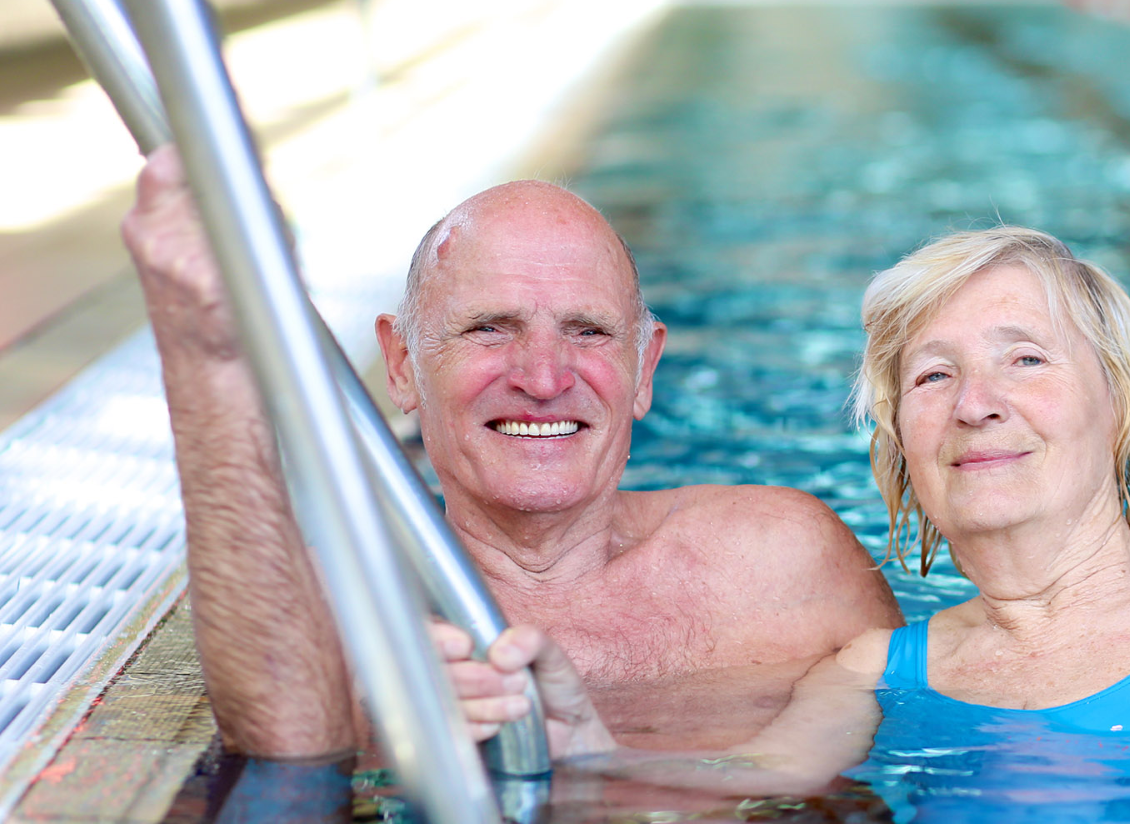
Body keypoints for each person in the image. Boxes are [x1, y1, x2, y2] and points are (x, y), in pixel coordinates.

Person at [456, 226, 1130, 820]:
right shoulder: (871, 671)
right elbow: (749, 779)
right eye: (934, 376)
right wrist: (582, 746)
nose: (978, 402)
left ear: (1115, 402)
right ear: (902, 453)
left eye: (1025, 358)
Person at [119, 145, 902, 761]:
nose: (543, 377)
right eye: (489, 327)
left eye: (588, 332)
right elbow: (282, 762)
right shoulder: (331, 610)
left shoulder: (782, 563)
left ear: (644, 369)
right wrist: (208, 360)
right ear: (401, 366)